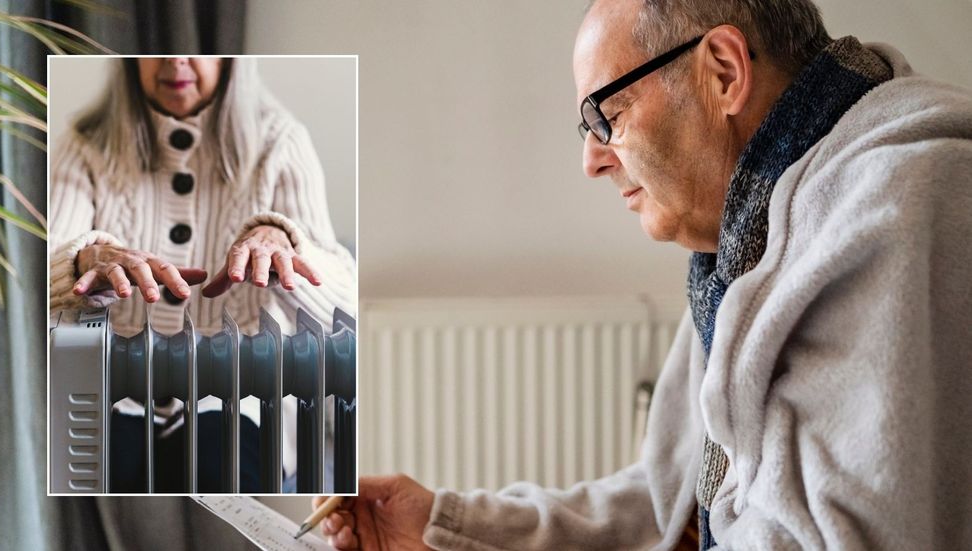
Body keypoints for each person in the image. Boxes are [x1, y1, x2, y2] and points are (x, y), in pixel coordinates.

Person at [317, 0, 972, 548]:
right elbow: (675, 507)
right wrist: (442, 526)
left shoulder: (900, 207)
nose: (591, 160)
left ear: (722, 71)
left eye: (608, 113)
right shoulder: (743, 239)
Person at [49, 57, 358, 492]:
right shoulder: (84, 144)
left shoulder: (282, 144)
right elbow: (36, 276)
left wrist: (285, 243)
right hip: (110, 391)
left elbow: (343, 302)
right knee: (100, 475)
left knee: (222, 468)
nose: (177, 60)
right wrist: (82, 261)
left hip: (241, 398)